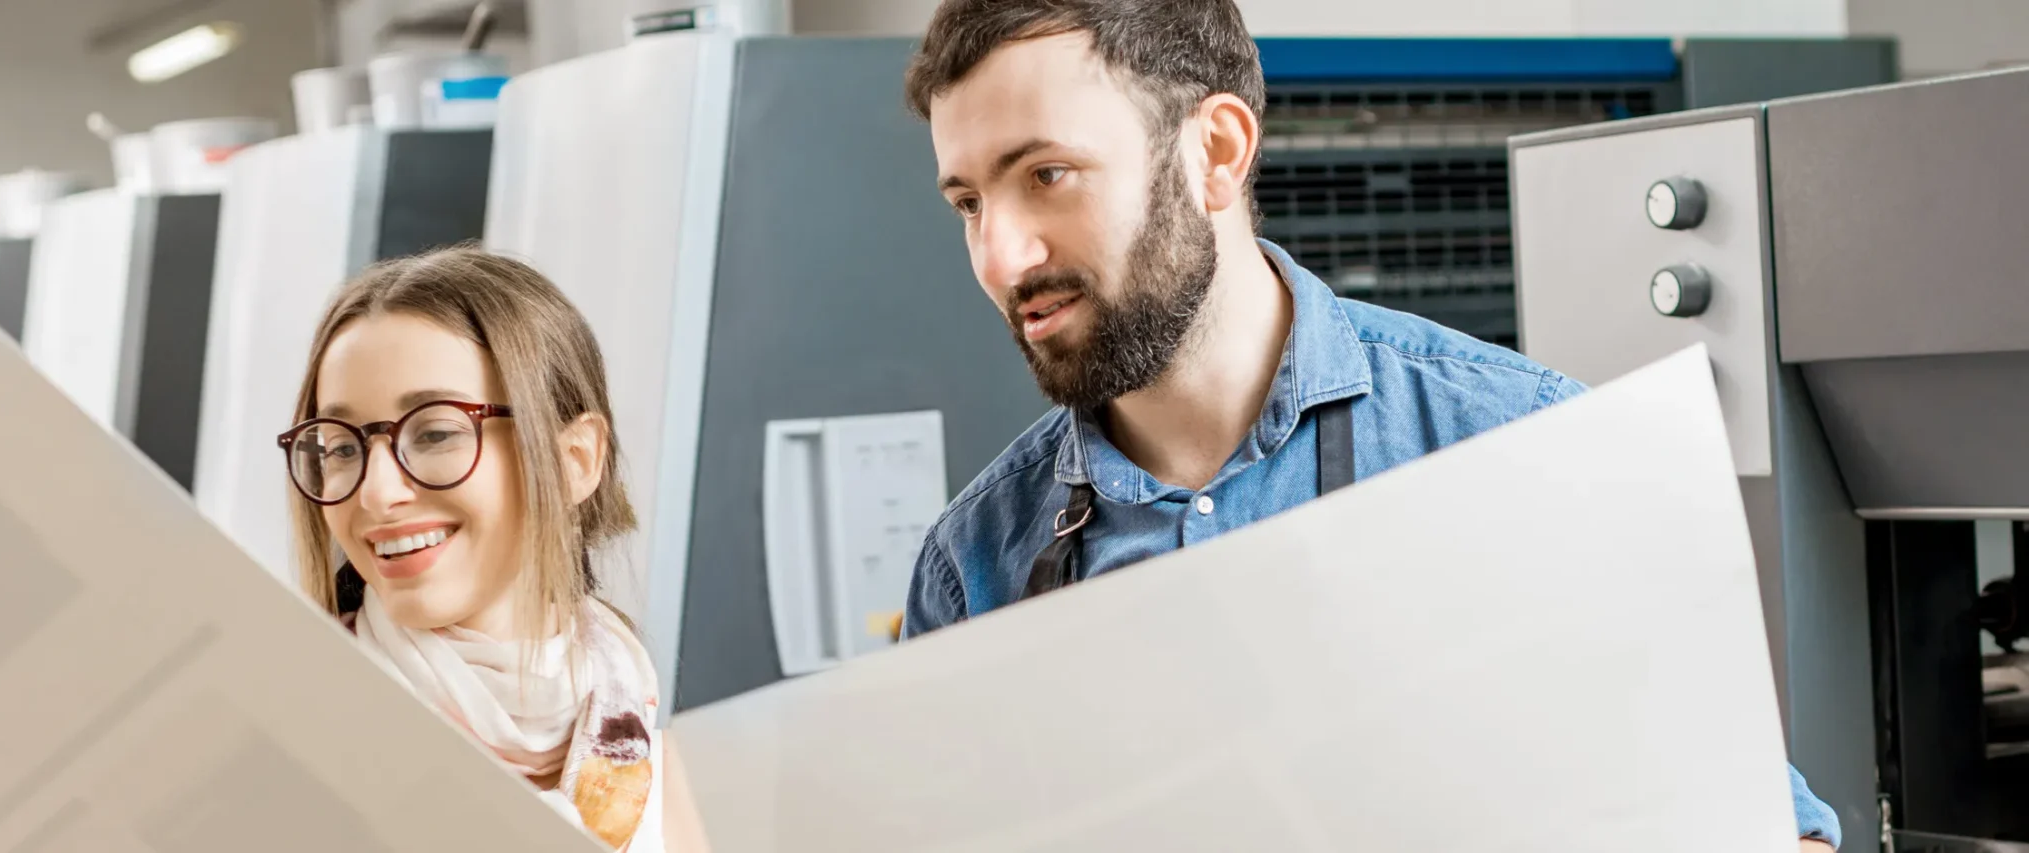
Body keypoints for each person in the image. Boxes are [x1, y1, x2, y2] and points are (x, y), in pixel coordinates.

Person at [895, 1, 1843, 848]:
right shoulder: (975, 564)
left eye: (1048, 174)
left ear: (1216, 151)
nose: (1003, 255)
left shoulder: (1527, 445)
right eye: (970, 203)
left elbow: (1761, 827)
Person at [280, 247, 664, 851]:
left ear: (574, 461)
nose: (376, 493)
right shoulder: (292, 731)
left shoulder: (645, 728)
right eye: (341, 447)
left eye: (434, 433)